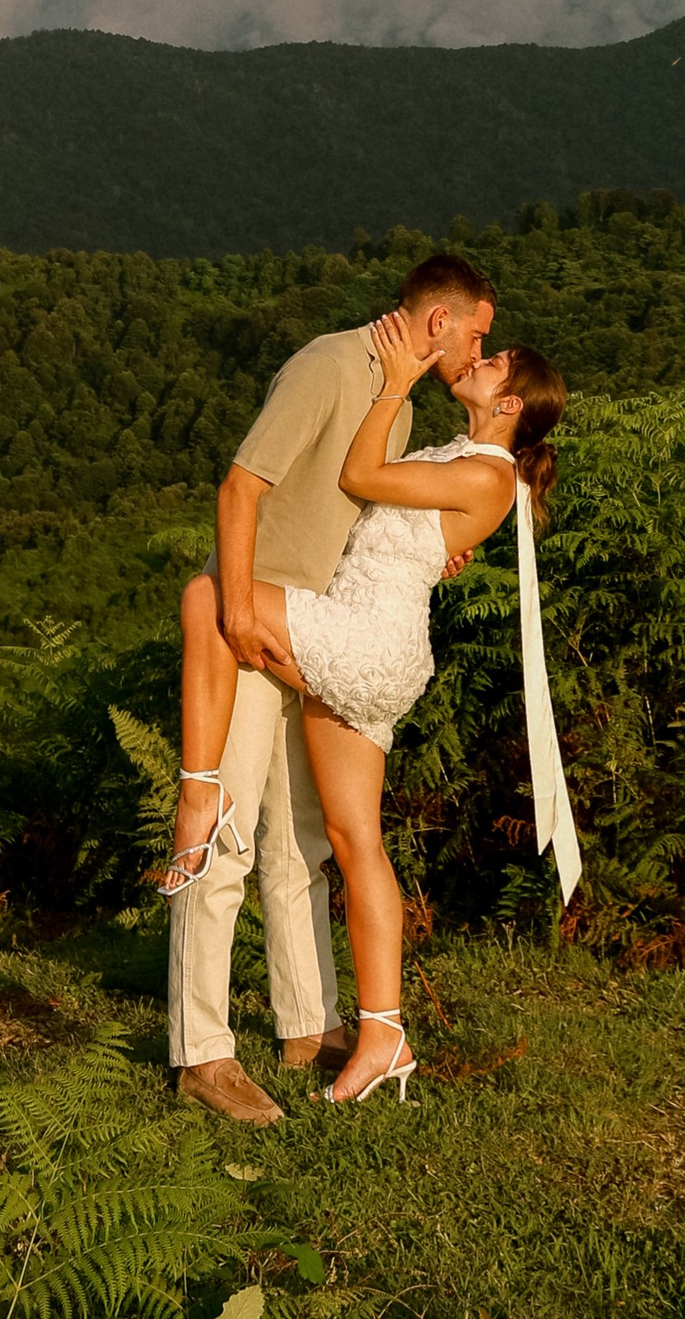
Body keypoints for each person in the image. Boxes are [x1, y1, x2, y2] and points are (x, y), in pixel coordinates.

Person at [169, 315, 566, 1105]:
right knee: (348, 843)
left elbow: (359, 475)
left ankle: (197, 789)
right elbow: (400, 521)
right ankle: (379, 1032)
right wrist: (438, 544)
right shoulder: (475, 461)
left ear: (511, 401)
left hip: (363, 637)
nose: (479, 359)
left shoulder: (486, 471)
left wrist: (390, 386)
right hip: (373, 641)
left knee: (210, 594)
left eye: (493, 360)